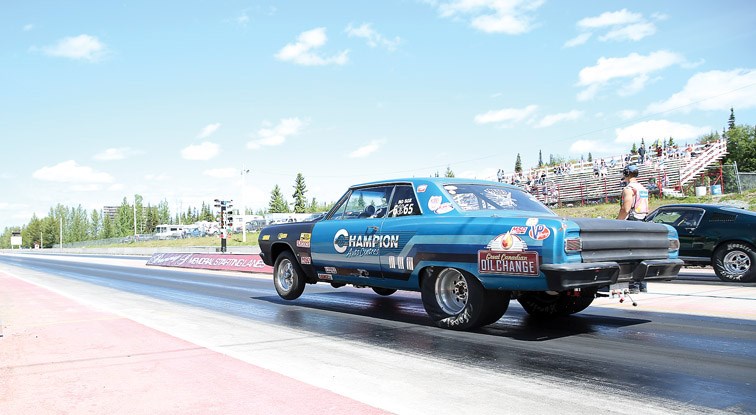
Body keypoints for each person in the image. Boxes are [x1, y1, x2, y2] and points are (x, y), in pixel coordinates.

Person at [617, 164, 650, 293]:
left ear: (626, 174)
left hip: (631, 221)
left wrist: (617, 222)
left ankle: (633, 286)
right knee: (641, 254)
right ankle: (642, 285)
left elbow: (625, 208)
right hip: (643, 220)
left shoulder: (629, 189)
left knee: (630, 255)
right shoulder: (643, 188)